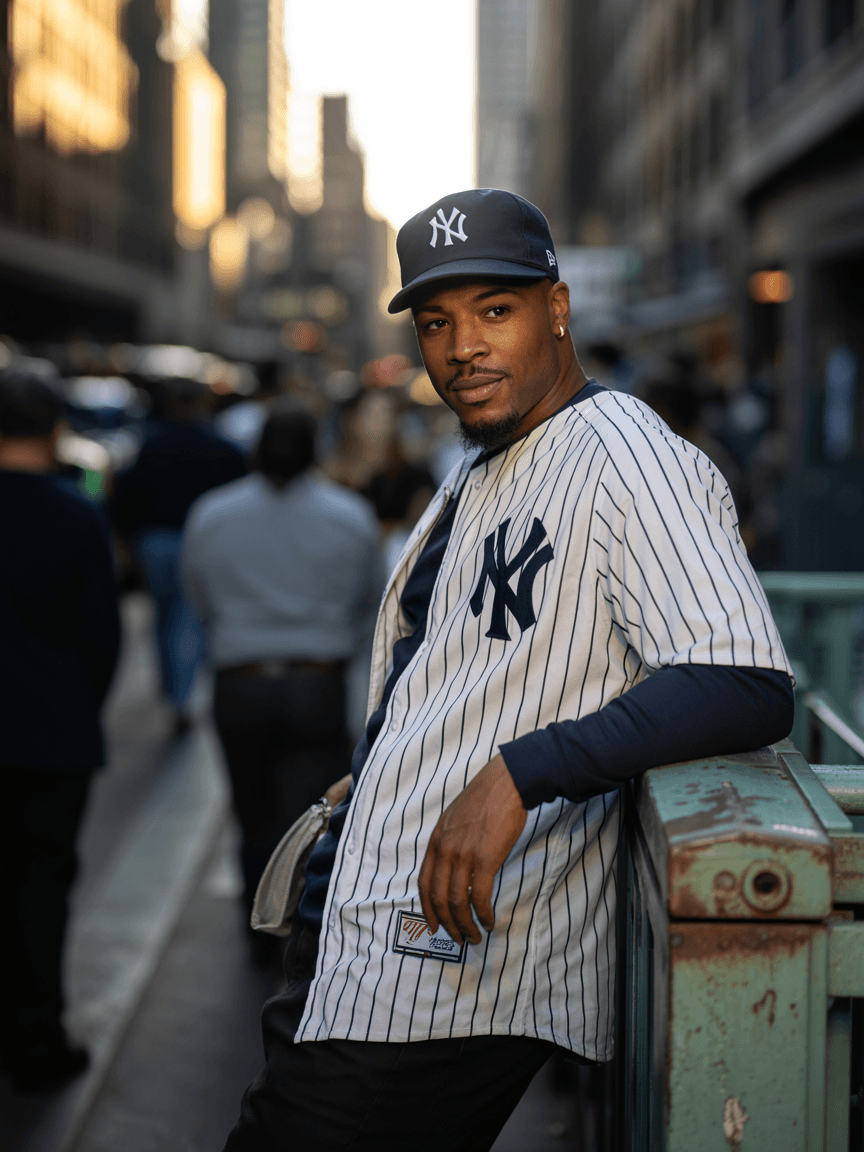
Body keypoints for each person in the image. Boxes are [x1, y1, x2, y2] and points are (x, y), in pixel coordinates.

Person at [222, 189, 794, 1151]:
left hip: (452, 961)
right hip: (371, 919)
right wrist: (393, 766)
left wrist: (522, 772)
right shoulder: (488, 453)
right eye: (438, 323)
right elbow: (476, 660)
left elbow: (743, 678)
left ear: (557, 307)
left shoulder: (628, 458)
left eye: (497, 310)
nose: (462, 349)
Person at [181, 405, 382, 952]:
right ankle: (300, 933)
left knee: (250, 810)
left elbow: (198, 597)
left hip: (240, 682)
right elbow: (371, 605)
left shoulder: (212, 513)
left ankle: (257, 928)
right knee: (310, 815)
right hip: (316, 684)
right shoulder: (350, 515)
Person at [0, 368, 121, 1093]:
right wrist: (77, 706)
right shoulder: (78, 515)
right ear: (53, 431)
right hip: (51, 740)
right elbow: (100, 642)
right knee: (40, 891)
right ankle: (35, 1037)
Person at [111, 377, 247, 734]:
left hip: (157, 542)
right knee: (190, 618)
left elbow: (126, 496)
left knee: (166, 616)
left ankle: (174, 688)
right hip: (201, 542)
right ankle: (182, 693)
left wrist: (126, 541)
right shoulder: (222, 447)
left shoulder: (151, 445)